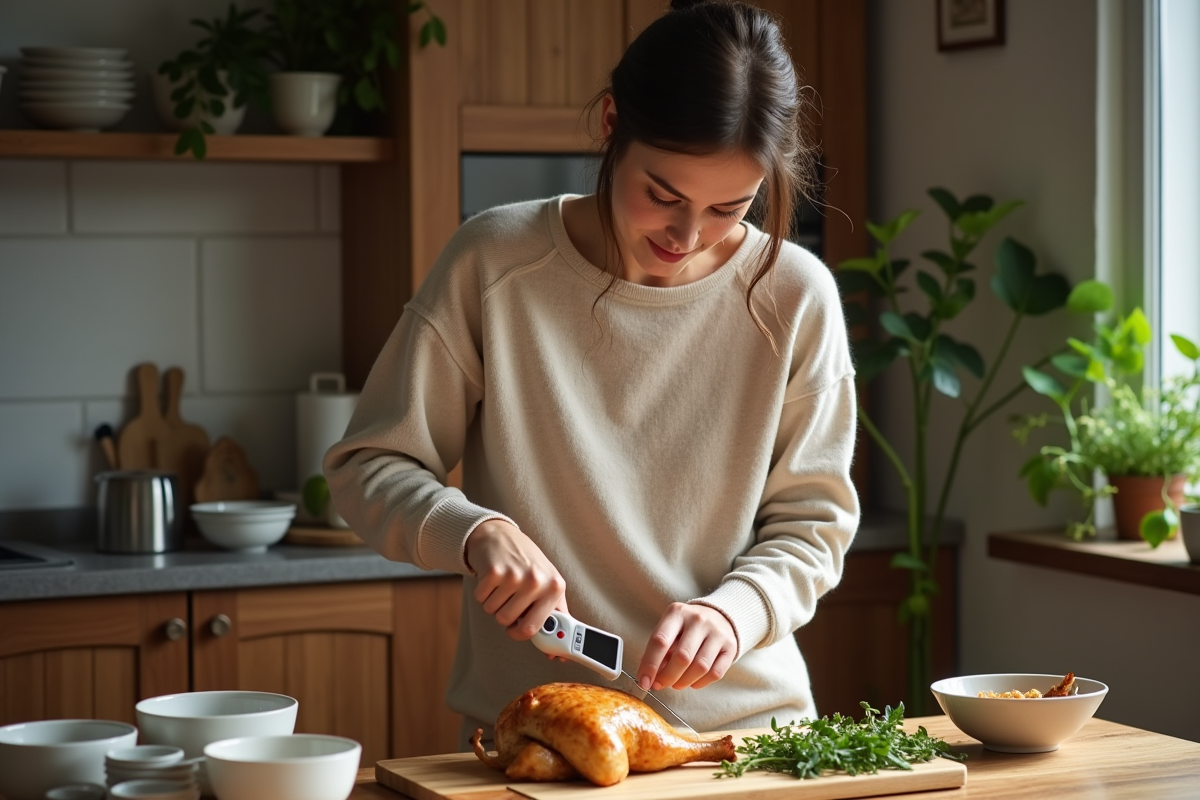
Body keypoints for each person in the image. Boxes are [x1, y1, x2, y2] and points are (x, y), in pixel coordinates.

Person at [324, 0, 860, 745]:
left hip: (744, 740)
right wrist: (474, 531)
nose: (687, 235)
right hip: (540, 735)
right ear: (612, 124)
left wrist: (735, 612)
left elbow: (815, 525)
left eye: (728, 208)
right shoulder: (496, 263)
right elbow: (368, 466)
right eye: (662, 196)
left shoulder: (795, 293)